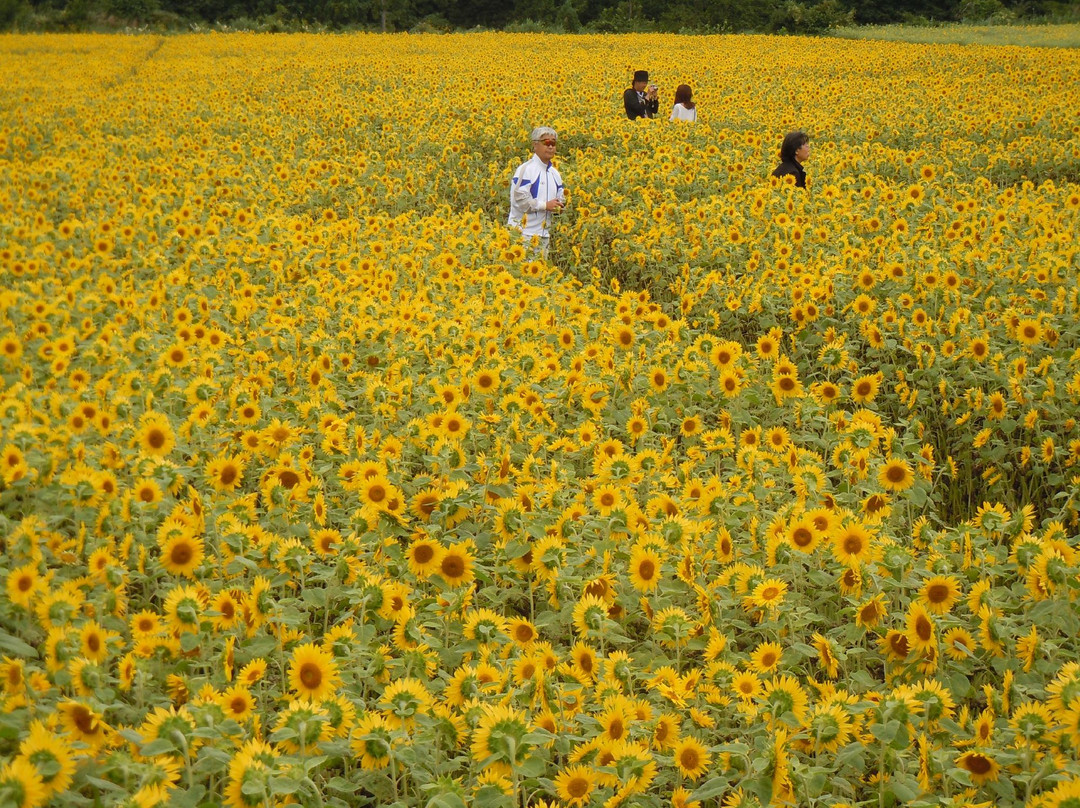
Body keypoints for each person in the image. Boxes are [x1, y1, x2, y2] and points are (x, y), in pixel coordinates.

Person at [507, 126, 566, 257]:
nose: (550, 147)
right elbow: (519, 201)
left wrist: (559, 207)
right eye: (546, 142)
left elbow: (560, 199)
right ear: (535, 145)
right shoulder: (526, 170)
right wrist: (545, 205)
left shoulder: (555, 174)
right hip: (522, 235)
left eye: (553, 143)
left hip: (544, 236)